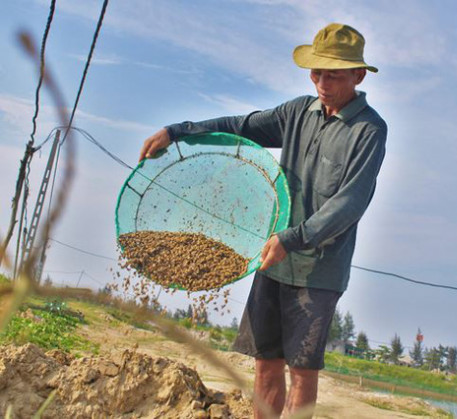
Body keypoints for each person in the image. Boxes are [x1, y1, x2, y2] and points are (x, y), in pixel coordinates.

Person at [139, 23, 387, 418]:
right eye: (317, 73)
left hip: (317, 269)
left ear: (358, 75)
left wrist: (294, 237)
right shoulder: (297, 113)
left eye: (334, 74)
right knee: (264, 361)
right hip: (272, 259)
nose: (323, 82)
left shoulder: (368, 130)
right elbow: (240, 127)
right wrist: (177, 132)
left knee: (302, 370)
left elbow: (351, 202)